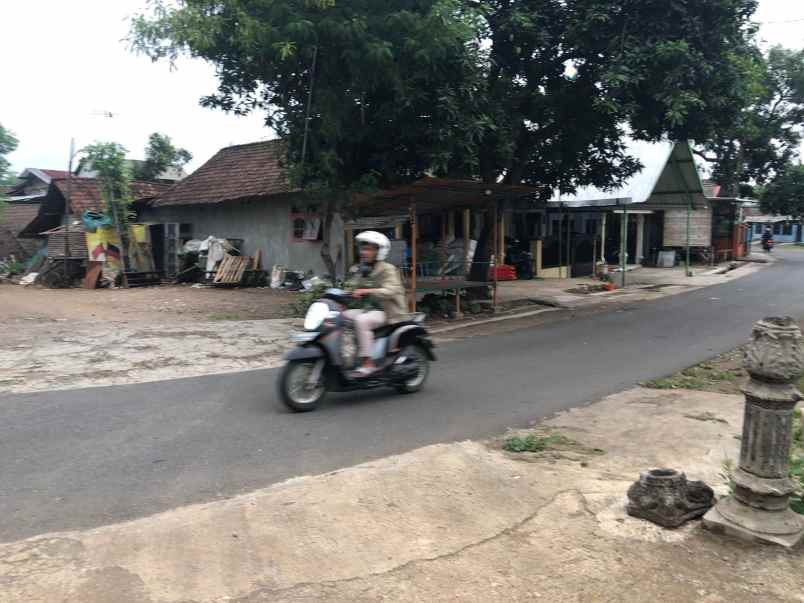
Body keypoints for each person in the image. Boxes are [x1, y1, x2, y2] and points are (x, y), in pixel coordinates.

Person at [344, 231, 407, 377]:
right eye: (363, 248)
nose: (363, 252)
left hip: (388, 311)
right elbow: (351, 286)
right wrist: (341, 293)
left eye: (369, 249)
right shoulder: (362, 268)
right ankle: (347, 356)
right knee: (340, 316)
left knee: (362, 321)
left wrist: (367, 291)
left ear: (379, 251)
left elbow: (391, 290)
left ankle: (368, 363)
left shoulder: (388, 269)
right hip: (369, 309)